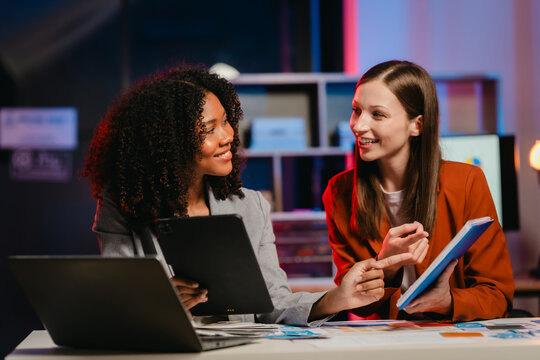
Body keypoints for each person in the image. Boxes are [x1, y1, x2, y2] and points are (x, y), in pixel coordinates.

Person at [82, 65, 403, 326]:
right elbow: (116, 304)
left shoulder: (251, 206)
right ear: (168, 143)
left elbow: (273, 305)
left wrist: (338, 297)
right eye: (209, 129)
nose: (228, 136)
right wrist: (159, 303)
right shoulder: (122, 206)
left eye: (226, 121)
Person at [322, 60, 514, 322]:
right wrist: (385, 266)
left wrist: (448, 302)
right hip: (389, 342)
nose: (358, 125)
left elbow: (498, 295)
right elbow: (358, 305)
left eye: (377, 114)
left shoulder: (467, 181)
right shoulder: (339, 192)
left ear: (417, 125)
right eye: (356, 110)